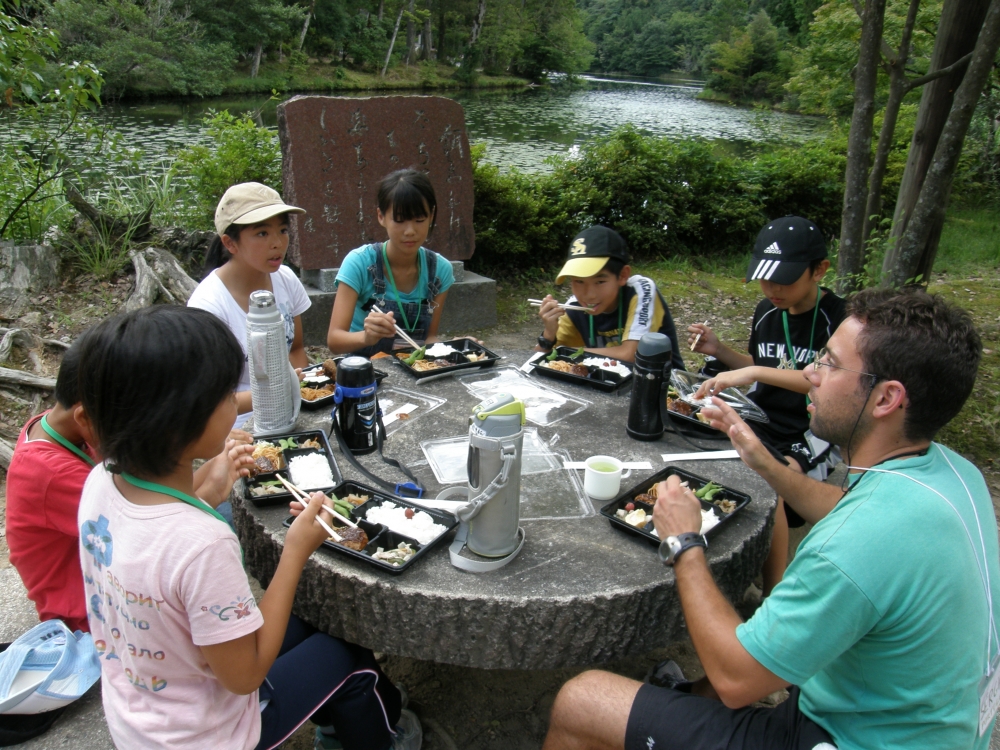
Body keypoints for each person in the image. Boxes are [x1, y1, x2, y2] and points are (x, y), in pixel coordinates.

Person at [542, 288, 999, 750]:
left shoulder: (850, 549)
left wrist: (684, 540)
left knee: (581, 701)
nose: (809, 373)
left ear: (886, 399)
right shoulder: (953, 475)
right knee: (708, 690)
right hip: (936, 724)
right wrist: (764, 462)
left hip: (846, 738)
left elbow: (736, 679)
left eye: (830, 363)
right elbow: (850, 508)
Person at [75, 306, 419, 750]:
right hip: (208, 735)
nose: (235, 401)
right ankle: (379, 737)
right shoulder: (203, 544)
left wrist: (209, 492)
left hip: (140, 713)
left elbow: (156, 554)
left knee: (317, 618)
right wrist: (295, 551)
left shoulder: (101, 480)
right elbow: (246, 676)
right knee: (349, 656)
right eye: (226, 393)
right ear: (186, 419)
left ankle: (340, 708)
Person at [6, 331, 251, 632]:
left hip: (125, 569)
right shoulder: (56, 475)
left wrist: (215, 465)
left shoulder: (70, 429)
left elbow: (161, 499)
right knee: (224, 523)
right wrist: (211, 493)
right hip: (100, 616)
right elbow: (153, 537)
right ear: (86, 416)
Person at [686, 216, 845, 594]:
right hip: (762, 416)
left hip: (811, 427)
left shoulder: (839, 320)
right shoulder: (768, 311)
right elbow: (768, 369)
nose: (771, 288)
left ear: (819, 270)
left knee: (771, 481)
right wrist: (721, 352)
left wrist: (755, 370)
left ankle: (773, 591)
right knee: (698, 443)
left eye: (784, 279)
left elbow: (823, 380)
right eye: (764, 277)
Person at [188, 182, 311, 428]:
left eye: (283, 230)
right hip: (236, 427)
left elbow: (296, 349)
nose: (277, 243)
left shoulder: (285, 278)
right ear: (230, 243)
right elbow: (209, 401)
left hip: (290, 410)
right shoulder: (208, 306)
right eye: (262, 233)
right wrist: (276, 393)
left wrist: (302, 392)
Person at [327, 169, 454, 357]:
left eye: (419, 220)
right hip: (364, 372)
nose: (410, 231)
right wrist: (366, 337)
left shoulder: (439, 271)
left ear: (431, 215)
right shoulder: (359, 263)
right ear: (381, 216)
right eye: (400, 220)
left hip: (414, 369)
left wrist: (458, 348)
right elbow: (334, 341)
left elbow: (429, 339)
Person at [535, 225, 684, 368]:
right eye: (579, 281)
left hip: (666, 386)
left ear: (622, 275)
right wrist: (549, 335)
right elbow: (542, 361)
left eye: (600, 281)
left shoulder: (639, 290)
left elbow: (632, 355)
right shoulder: (574, 308)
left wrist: (565, 352)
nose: (589, 295)